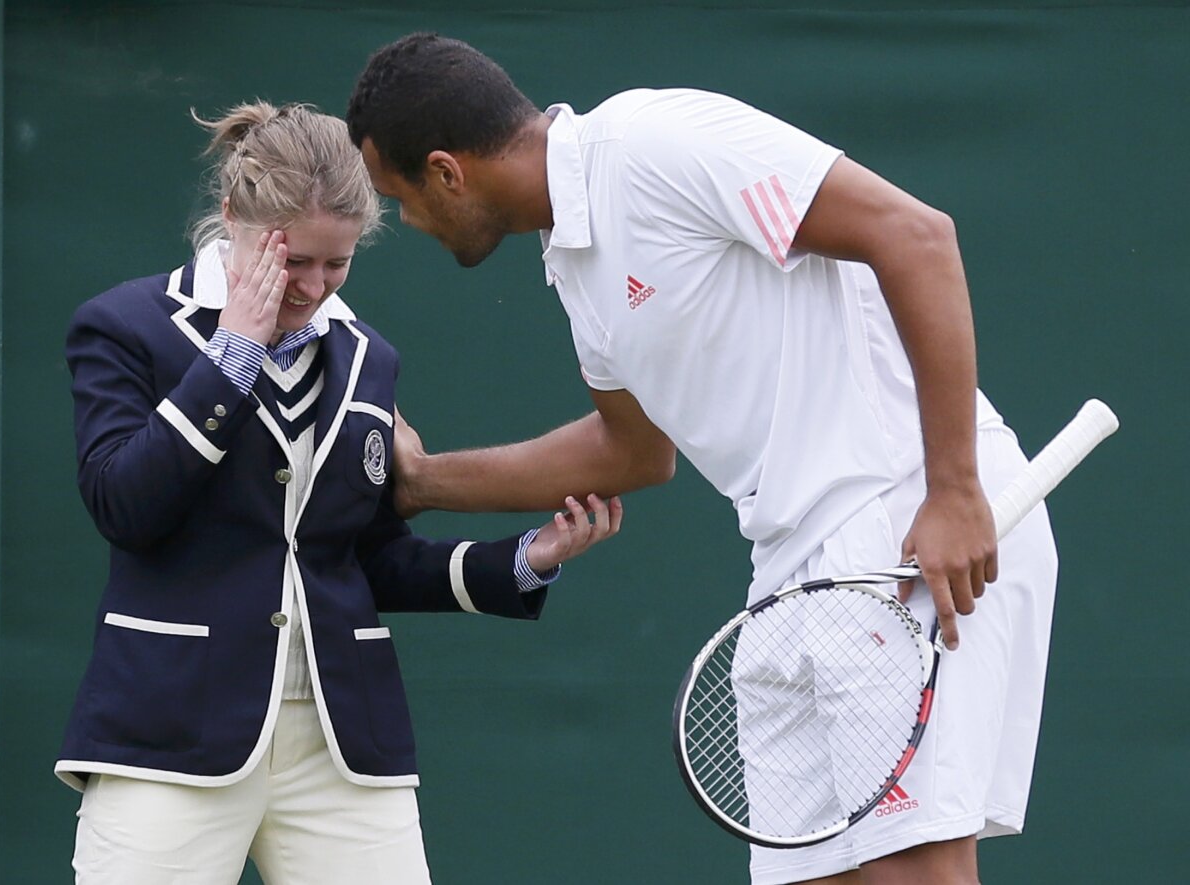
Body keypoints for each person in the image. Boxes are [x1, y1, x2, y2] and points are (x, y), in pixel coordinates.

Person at [345, 33, 1060, 885]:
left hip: (902, 521)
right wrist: (422, 483)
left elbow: (915, 236)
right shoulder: (573, 264)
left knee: (916, 873)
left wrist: (952, 490)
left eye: (401, 200)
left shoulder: (652, 144)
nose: (409, 224)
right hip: (791, 572)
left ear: (446, 171)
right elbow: (633, 450)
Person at [55, 100, 622, 885]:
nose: (315, 286)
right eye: (293, 262)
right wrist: (234, 355)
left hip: (344, 745)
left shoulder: (369, 357)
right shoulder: (123, 326)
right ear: (231, 216)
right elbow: (123, 503)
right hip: (167, 733)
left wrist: (522, 558)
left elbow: (362, 559)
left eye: (337, 263)